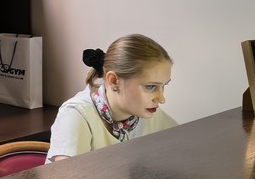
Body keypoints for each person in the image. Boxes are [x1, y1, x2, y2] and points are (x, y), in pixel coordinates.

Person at [47, 34, 177, 162]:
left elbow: (183, 151)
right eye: (150, 87)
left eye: (163, 86)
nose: (161, 99)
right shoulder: (75, 115)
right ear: (113, 80)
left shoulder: (148, 112)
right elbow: (68, 176)